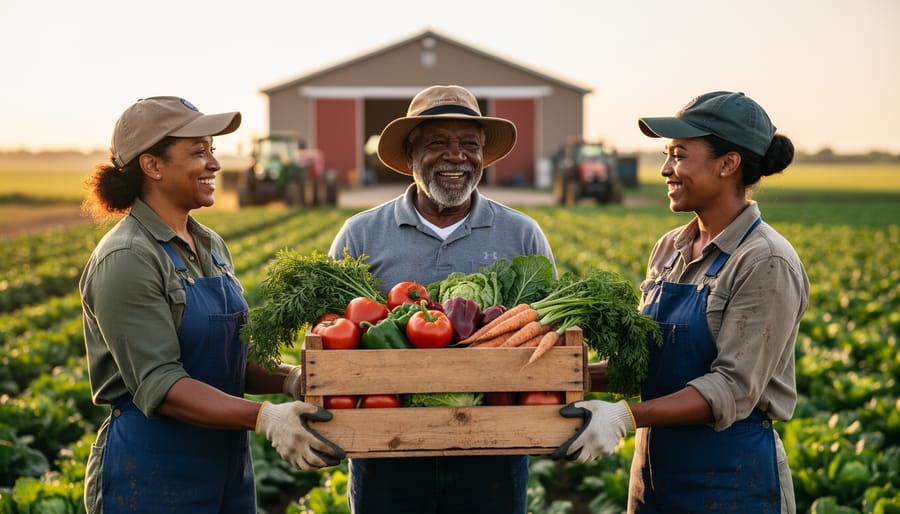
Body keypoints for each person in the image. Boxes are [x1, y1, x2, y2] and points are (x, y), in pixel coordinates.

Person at [79, 96, 344, 514]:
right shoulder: (128, 258)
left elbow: (231, 350)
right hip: (150, 476)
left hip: (226, 469)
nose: (214, 164)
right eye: (198, 152)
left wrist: (291, 379)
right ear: (153, 166)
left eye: (212, 150)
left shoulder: (209, 244)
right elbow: (161, 386)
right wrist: (265, 417)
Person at [554, 91, 810, 513]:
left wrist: (624, 416)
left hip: (733, 481)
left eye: (679, 155)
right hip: (654, 481)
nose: (665, 170)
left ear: (728, 164)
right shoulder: (672, 247)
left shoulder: (765, 259)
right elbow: (648, 365)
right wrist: (567, 377)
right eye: (666, 155)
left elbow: (731, 388)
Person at [328, 84, 557, 513]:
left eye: (469, 145)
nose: (457, 156)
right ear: (411, 155)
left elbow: (549, 336)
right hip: (386, 450)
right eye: (438, 143)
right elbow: (330, 345)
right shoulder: (360, 234)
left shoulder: (523, 234)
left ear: (483, 156)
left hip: (493, 451)